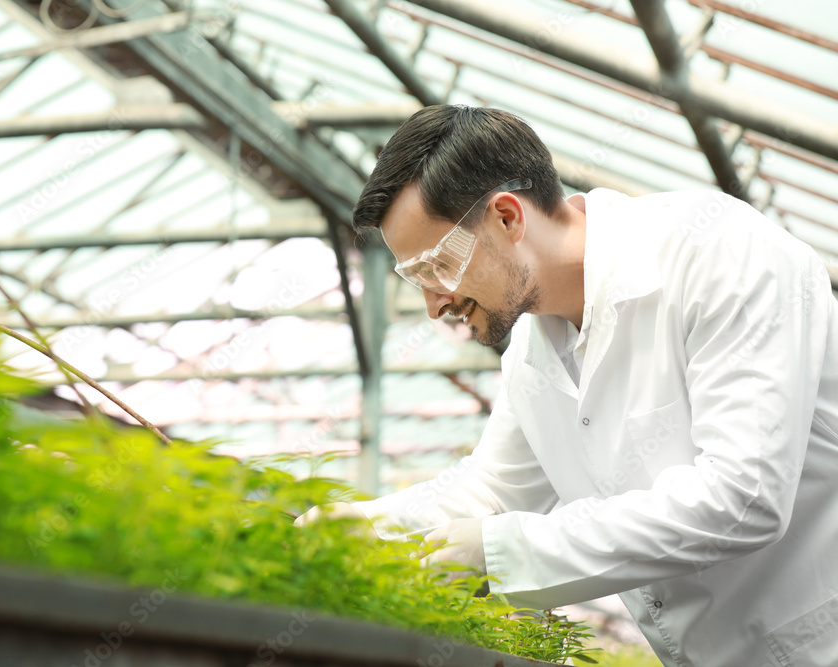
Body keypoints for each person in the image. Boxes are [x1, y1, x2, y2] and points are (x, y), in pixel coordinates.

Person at [295, 105, 838, 667]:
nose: (435, 305)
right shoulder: (534, 345)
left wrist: (497, 551)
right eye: (415, 278)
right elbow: (495, 490)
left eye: (436, 266)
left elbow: (743, 496)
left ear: (506, 217)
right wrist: (357, 527)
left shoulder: (718, 254)